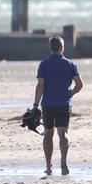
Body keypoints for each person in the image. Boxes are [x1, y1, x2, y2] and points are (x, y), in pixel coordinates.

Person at [33, 36, 83, 175]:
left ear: (51, 48)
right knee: (63, 133)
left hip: (48, 104)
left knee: (48, 133)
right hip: (63, 104)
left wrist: (35, 105)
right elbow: (79, 85)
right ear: (62, 48)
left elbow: (40, 86)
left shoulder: (44, 64)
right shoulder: (70, 64)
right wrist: (70, 94)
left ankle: (49, 167)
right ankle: (63, 164)